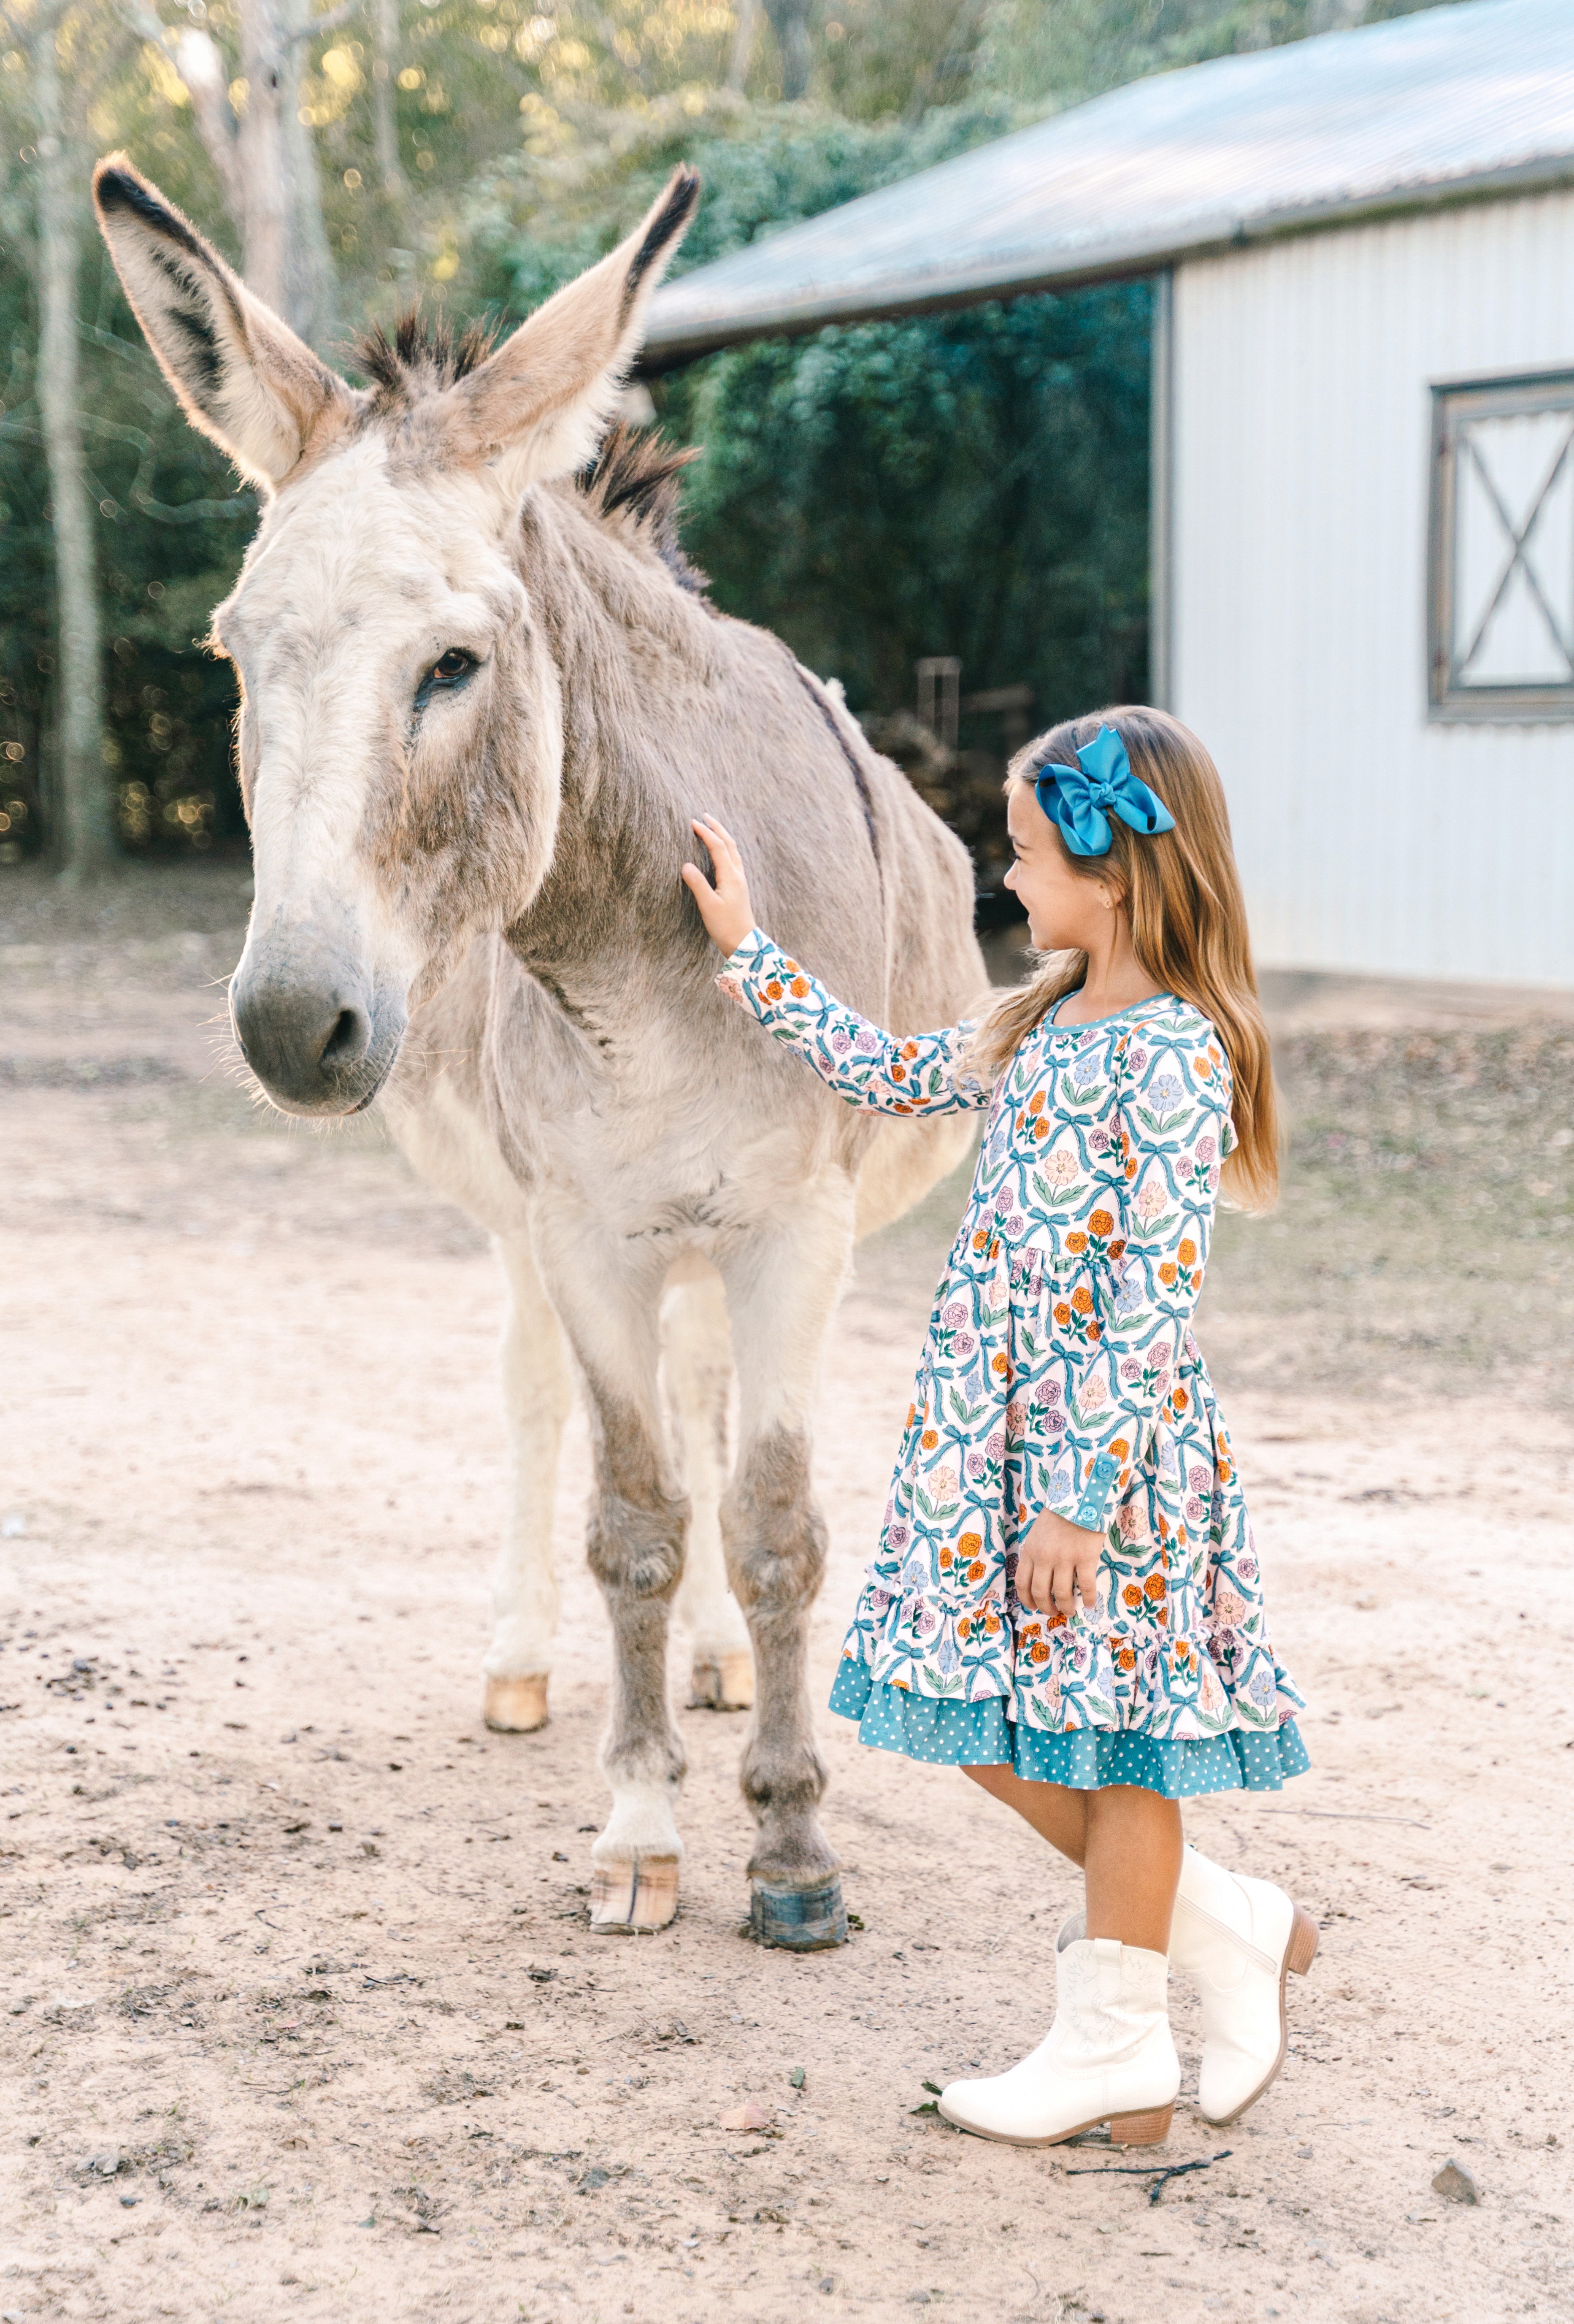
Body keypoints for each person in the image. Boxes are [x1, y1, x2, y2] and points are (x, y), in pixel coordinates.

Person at [682, 705, 1317, 2151]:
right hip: (988, 1439)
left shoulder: (1174, 1054)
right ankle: (1219, 1927)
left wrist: (1082, 1499)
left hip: (1107, 1465)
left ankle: (1113, 2046)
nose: (1007, 875)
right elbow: (889, 1072)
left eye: (1029, 852)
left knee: (1120, 1741)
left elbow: (1150, 1296)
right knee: (965, 1699)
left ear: (1120, 868)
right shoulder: (1036, 1012)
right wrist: (745, 956)